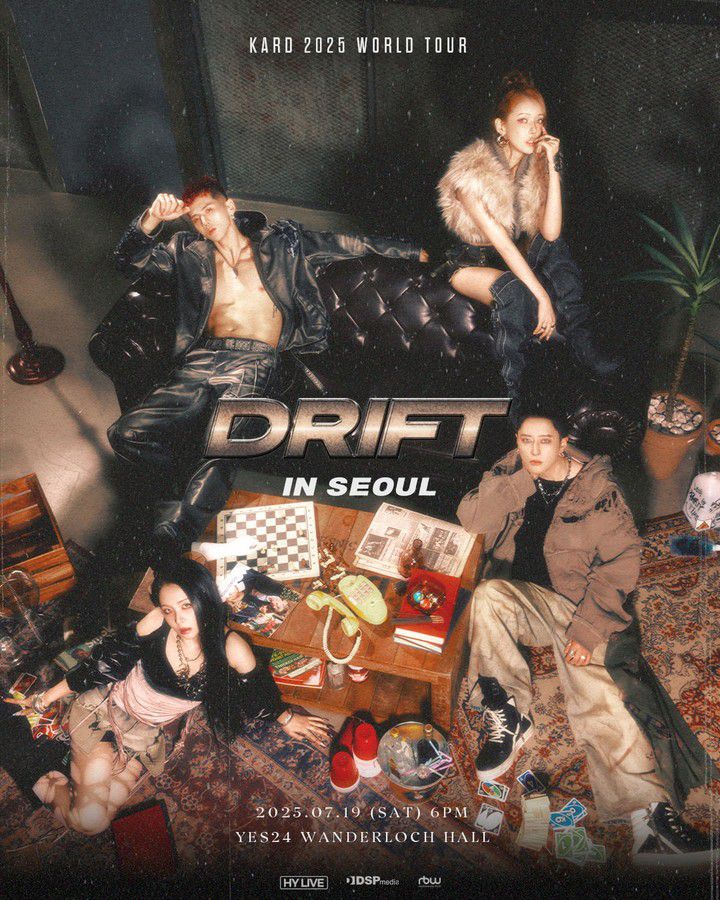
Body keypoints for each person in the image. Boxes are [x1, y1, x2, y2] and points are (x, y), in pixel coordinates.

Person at [108, 176, 427, 556]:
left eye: (210, 210)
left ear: (229, 206)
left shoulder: (282, 245)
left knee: (222, 441)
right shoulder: (186, 251)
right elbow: (127, 262)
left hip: (256, 360)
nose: (205, 221)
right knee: (126, 433)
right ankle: (175, 508)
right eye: (195, 217)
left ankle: (174, 540)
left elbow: (346, 244)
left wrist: (414, 252)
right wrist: (152, 220)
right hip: (201, 359)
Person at [457, 410, 717, 863]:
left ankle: (649, 823)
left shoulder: (600, 493)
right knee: (488, 596)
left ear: (564, 443)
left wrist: (588, 629)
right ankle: (509, 713)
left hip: (578, 605)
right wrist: (519, 481)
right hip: (527, 599)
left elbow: (621, 566)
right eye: (525, 440)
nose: (533, 450)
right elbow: (472, 519)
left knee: (598, 689)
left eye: (545, 441)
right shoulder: (513, 468)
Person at [5, 558, 330, 836]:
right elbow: (104, 664)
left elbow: (257, 689)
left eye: (186, 606)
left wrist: (286, 717)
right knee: (90, 823)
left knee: (100, 810)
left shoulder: (231, 647)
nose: (179, 620)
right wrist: (46, 698)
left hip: (144, 734)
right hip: (103, 714)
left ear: (205, 598)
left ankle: (58, 771)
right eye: (169, 610)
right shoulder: (158, 624)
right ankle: (42, 776)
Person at [436, 70, 616, 402]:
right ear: (501, 126)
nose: (534, 130)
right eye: (523, 121)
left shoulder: (534, 167)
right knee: (515, 291)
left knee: (555, 247)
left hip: (512, 255)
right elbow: (503, 245)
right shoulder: (471, 175)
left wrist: (552, 166)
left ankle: (583, 346)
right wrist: (543, 298)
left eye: (539, 121)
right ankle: (513, 389)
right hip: (469, 264)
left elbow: (551, 232)